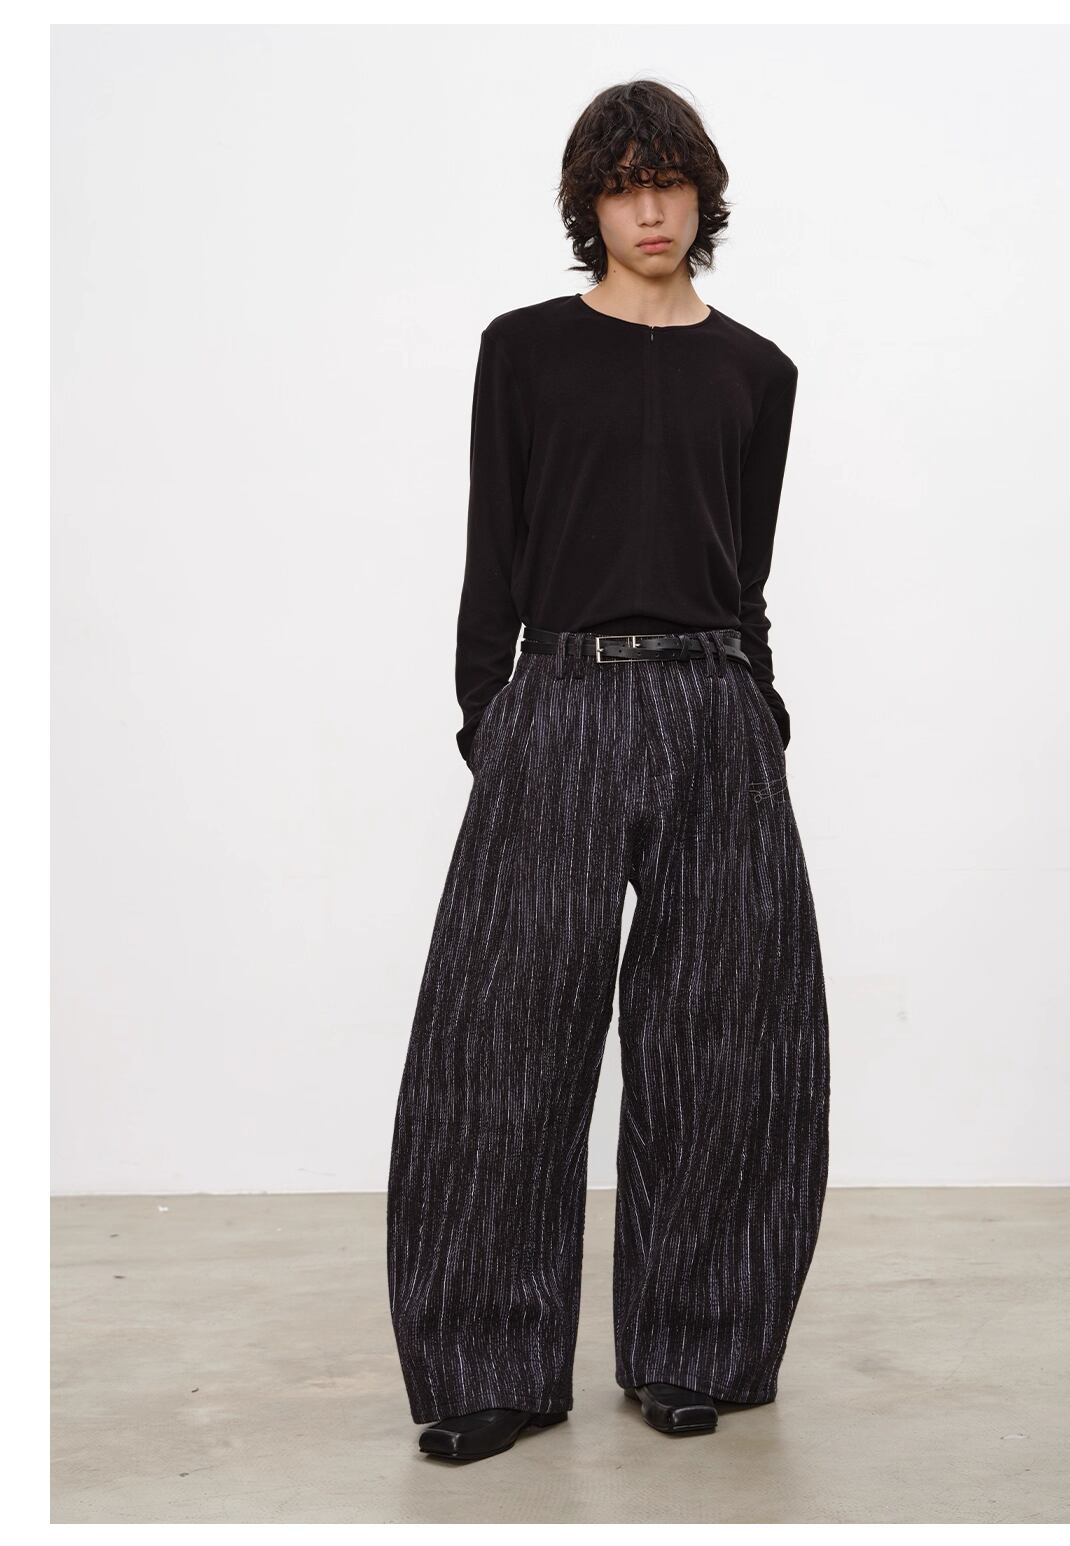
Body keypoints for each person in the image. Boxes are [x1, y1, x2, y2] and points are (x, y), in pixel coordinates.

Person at [386, 78, 831, 1464]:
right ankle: (491, 1368)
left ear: (705, 197)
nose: (652, 209)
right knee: (500, 1041)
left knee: (728, 1041)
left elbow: (745, 572)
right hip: (559, 695)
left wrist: (760, 713)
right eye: (627, 184)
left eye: (672, 182)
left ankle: (697, 1345)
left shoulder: (758, 372)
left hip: (714, 707)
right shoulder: (523, 351)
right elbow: (493, 550)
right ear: (590, 201)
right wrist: (492, 716)